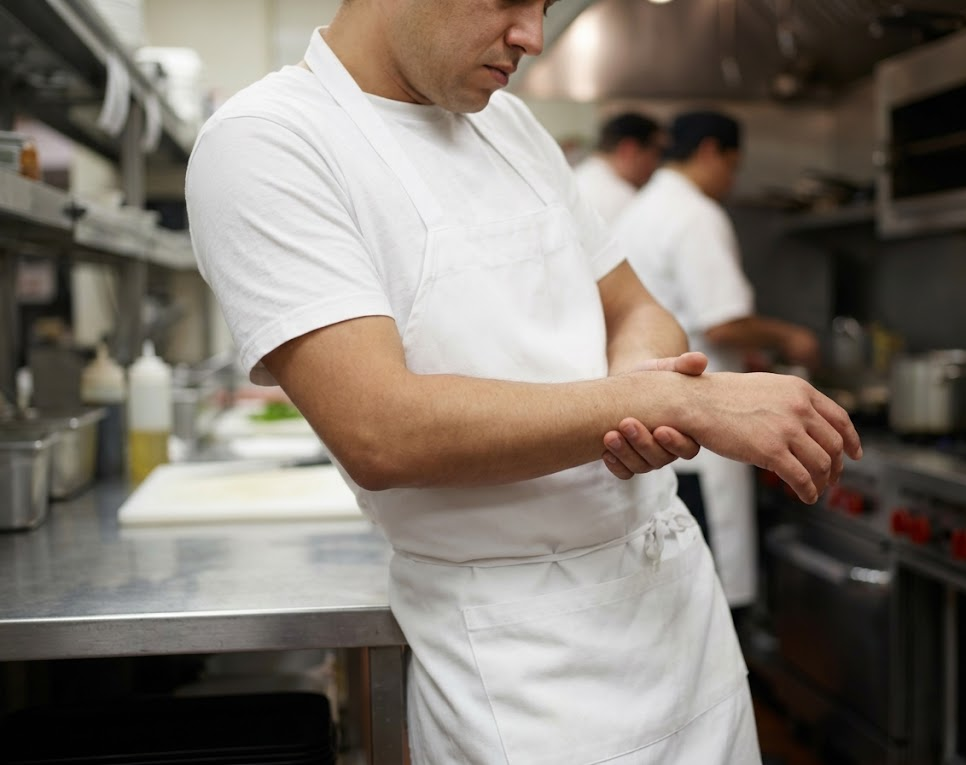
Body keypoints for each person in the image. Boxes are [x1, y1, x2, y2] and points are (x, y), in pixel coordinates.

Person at [185, 3, 860, 763]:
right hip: (522, 664)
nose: (532, 38)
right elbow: (380, 428)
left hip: (677, 617)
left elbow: (638, 308)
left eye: (543, 6)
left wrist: (635, 391)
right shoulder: (267, 142)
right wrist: (667, 399)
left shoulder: (509, 128)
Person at [615, 110, 822, 615]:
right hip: (698, 444)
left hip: (649, 429)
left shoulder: (640, 209)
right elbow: (724, 321)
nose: (732, 181)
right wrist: (791, 337)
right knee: (708, 599)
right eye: (733, 166)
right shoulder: (694, 214)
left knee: (673, 595)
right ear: (709, 151)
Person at [573, 111, 666, 224]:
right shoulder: (621, 199)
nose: (655, 164)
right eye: (655, 154)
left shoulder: (577, 176)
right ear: (628, 150)